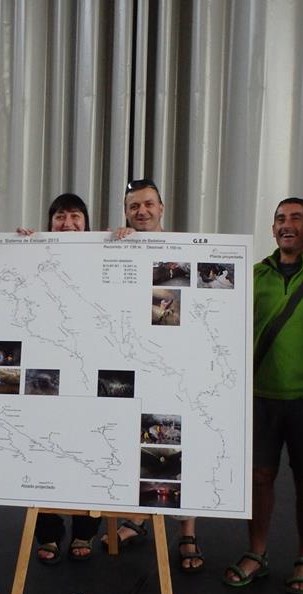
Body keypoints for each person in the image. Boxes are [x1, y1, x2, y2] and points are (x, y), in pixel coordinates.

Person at [223, 198, 303, 593]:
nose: (286, 224)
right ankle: (256, 553)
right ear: (273, 229)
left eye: (296, 218)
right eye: (279, 219)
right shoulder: (252, 273)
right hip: (259, 394)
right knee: (259, 477)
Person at [104, 178, 204, 573]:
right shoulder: (119, 244)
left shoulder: (186, 250)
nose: (141, 212)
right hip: (132, 362)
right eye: (133, 207)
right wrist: (113, 245)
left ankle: (188, 533)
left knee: (180, 447)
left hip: (179, 364)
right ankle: (138, 517)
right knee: (139, 443)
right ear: (126, 212)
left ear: (162, 208)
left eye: (148, 204)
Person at [18, 193, 102, 564]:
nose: (67, 224)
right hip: (43, 371)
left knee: (89, 447)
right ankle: (49, 532)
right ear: (50, 222)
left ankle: (85, 531)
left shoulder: (106, 254)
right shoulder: (33, 253)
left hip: (91, 369)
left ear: (87, 223)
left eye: (75, 217)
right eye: (60, 217)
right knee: (43, 448)